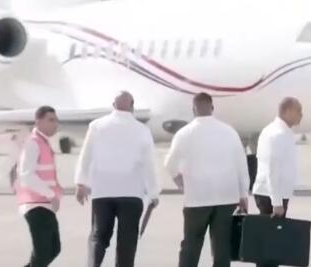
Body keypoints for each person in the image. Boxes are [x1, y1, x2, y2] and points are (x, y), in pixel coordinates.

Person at [164, 92, 250, 267]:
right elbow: (242, 166)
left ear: (193, 109)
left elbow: (169, 163)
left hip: (197, 198)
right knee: (222, 247)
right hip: (226, 197)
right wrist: (243, 195)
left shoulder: (184, 133)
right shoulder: (229, 132)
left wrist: (178, 179)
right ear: (212, 107)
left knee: (191, 244)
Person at [75, 92, 160, 267]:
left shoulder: (96, 126)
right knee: (127, 241)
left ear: (113, 104)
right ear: (132, 106)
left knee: (99, 236)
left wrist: (81, 183)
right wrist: (153, 192)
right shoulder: (142, 130)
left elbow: (86, 155)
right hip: (131, 193)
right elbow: (149, 163)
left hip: (102, 192)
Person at [252, 97, 303, 267]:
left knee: (272, 244)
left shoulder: (281, 132)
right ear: (287, 111)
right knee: (269, 245)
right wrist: (277, 202)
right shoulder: (277, 134)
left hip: (274, 194)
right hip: (271, 196)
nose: (301, 115)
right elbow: (272, 170)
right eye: (298, 111)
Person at [14, 106, 63, 267]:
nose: (55, 124)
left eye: (56, 120)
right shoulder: (33, 143)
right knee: (43, 253)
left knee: (54, 249)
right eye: (51, 120)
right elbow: (26, 175)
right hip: (35, 205)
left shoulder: (43, 142)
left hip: (44, 204)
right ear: (38, 122)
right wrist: (50, 194)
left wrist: (56, 191)